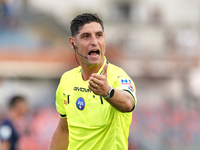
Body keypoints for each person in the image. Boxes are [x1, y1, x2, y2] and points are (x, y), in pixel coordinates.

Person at [49, 13, 137, 150]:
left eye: (99, 35)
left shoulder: (117, 76)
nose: (94, 42)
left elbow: (128, 103)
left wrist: (108, 92)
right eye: (86, 36)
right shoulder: (67, 79)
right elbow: (63, 129)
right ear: (73, 43)